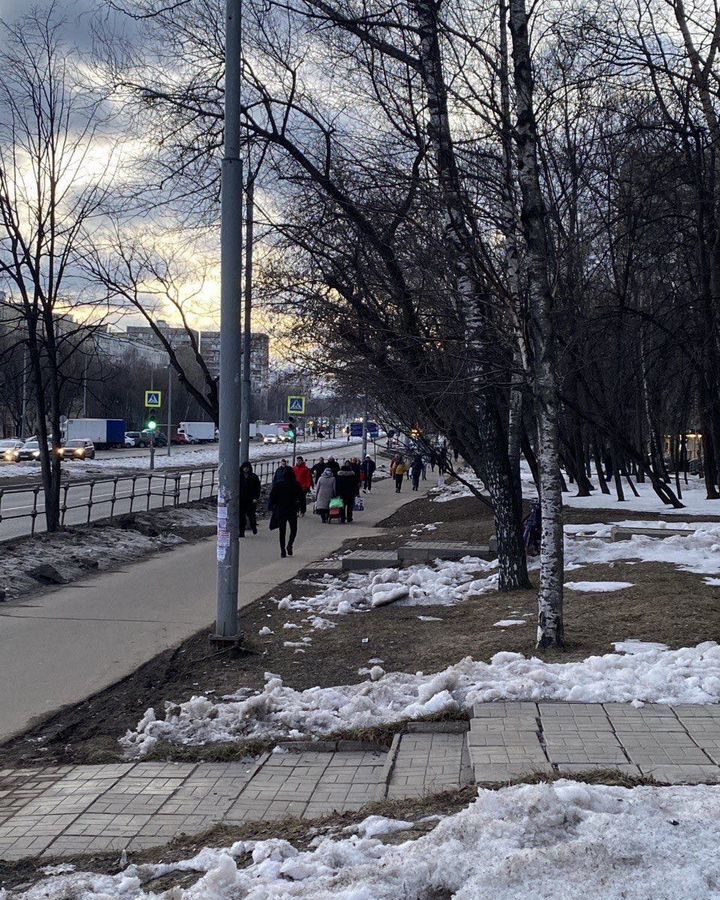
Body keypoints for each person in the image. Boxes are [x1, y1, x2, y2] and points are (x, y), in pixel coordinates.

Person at [268, 464, 302, 557]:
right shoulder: (296, 484)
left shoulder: (278, 484)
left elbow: (272, 497)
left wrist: (273, 506)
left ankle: (282, 550)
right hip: (292, 509)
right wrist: (302, 508)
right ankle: (290, 544)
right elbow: (301, 497)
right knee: (293, 529)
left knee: (282, 531)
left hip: (281, 509)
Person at [238, 461, 261, 537]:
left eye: (247, 468)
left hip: (251, 499)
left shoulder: (254, 477)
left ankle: (253, 526)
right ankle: (241, 532)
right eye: (244, 468)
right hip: (241, 499)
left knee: (251, 515)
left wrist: (255, 498)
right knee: (241, 517)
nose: (246, 469)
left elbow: (258, 488)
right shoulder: (239, 477)